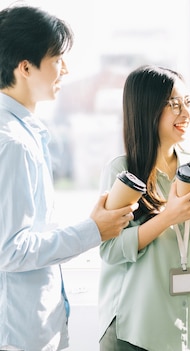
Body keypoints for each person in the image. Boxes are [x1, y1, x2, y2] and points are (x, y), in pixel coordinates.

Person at [0, 5, 136, 351]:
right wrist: (94, 230)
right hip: (20, 335)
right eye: (57, 58)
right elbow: (10, 250)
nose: (66, 69)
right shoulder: (12, 143)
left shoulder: (23, 134)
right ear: (26, 67)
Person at [98, 65, 190, 351]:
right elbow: (110, 250)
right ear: (147, 109)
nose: (185, 113)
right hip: (134, 327)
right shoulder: (123, 170)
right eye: (174, 104)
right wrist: (168, 217)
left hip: (180, 322)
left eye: (187, 102)